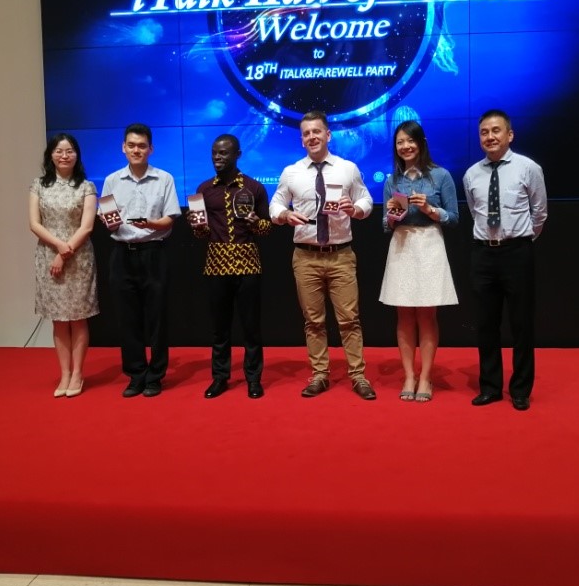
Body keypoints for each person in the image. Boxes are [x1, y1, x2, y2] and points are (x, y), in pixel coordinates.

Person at [270, 110, 377, 400]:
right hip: (305, 257)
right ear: (301, 140)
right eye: (306, 133)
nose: (312, 137)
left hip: (341, 255)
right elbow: (275, 204)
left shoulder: (347, 168)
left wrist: (356, 209)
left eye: (316, 131)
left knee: (350, 319)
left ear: (328, 135)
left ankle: (358, 376)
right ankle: (320, 375)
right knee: (313, 321)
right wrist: (284, 215)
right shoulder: (291, 172)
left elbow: (366, 199)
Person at [463, 109, 548, 411]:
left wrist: (521, 240)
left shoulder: (528, 168)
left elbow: (540, 212)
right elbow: (474, 212)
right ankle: (490, 387)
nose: (490, 137)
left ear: (509, 135)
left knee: (521, 323)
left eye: (496, 130)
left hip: (517, 253)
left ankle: (521, 389)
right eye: (484, 132)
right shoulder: (471, 174)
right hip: (483, 253)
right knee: (486, 324)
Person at [378, 120, 459, 402]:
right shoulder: (392, 181)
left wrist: (430, 209)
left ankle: (425, 377)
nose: (405, 146)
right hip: (401, 246)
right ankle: (409, 375)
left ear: (421, 142)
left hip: (430, 245)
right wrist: (392, 216)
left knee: (426, 315)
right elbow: (385, 225)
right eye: (400, 142)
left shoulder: (440, 176)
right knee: (403, 315)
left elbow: (454, 218)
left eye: (410, 141)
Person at [100, 123, 181, 398]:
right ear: (123, 147)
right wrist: (107, 221)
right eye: (132, 145)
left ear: (151, 149)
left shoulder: (164, 178)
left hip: (153, 252)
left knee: (157, 318)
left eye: (142, 146)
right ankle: (136, 375)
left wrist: (151, 224)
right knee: (127, 319)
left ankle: (155, 376)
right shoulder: (112, 180)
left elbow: (170, 219)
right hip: (122, 254)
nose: (137, 150)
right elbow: (107, 217)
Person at [189, 133, 272, 399]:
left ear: (238, 154)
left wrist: (255, 223)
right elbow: (201, 235)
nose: (217, 157)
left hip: (248, 262)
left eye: (223, 153)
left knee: (251, 327)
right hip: (216, 264)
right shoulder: (204, 189)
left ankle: (253, 379)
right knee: (219, 328)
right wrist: (198, 227)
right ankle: (220, 378)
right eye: (214, 152)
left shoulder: (254, 188)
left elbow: (267, 228)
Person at [28, 133, 99, 398]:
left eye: (70, 151)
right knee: (58, 320)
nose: (64, 155)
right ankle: (65, 374)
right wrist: (58, 247)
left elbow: (87, 227)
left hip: (79, 258)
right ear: (51, 155)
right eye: (59, 151)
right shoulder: (39, 185)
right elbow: (34, 224)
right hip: (48, 256)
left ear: (77, 155)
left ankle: (78, 373)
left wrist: (65, 252)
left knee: (78, 318)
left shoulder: (86, 186)